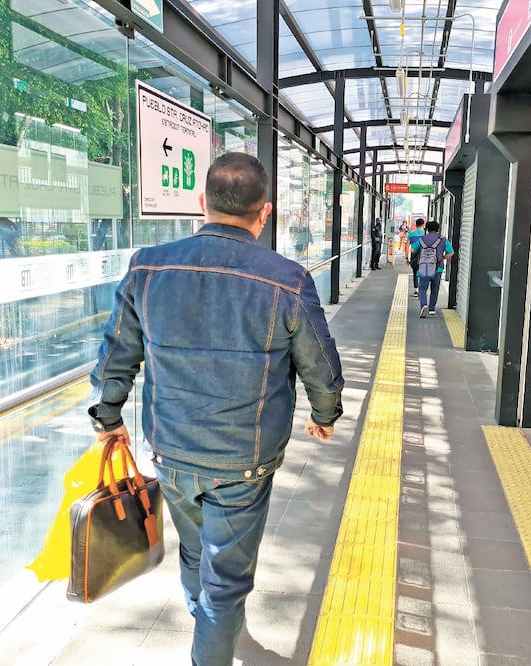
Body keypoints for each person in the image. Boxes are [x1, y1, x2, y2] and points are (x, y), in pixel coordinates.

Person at [86, 152, 344, 666]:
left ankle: (217, 629)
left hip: (172, 451)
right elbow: (320, 360)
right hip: (243, 460)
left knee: (193, 552)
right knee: (225, 580)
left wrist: (109, 419)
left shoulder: (148, 267)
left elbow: (118, 351)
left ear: (201, 203)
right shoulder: (287, 278)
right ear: (264, 212)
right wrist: (324, 414)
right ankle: (215, 642)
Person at [410, 220, 454, 318]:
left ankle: (424, 305)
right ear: (438, 229)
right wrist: (442, 258)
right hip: (437, 268)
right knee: (435, 289)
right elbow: (451, 252)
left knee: (422, 288)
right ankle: (431, 309)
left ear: (427, 229)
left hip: (424, 267)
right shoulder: (443, 240)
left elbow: (413, 249)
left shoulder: (422, 239)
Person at [405, 217, 426, 296]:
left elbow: (407, 247)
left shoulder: (411, 234)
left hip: (414, 256)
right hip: (424, 256)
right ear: (423, 225)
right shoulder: (425, 234)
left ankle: (416, 290)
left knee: (415, 272)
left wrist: (407, 258)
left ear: (416, 225)